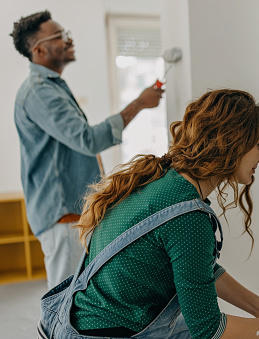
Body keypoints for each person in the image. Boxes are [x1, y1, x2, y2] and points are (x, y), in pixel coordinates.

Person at [37, 89, 259, 339]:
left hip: (80, 321)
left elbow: (197, 268)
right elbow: (208, 328)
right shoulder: (189, 218)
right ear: (234, 143)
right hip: (103, 333)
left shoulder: (162, 180)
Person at [10, 10, 163, 289]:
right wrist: (138, 104)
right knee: (63, 301)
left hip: (70, 213)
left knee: (77, 297)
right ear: (39, 49)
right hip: (62, 215)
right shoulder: (40, 92)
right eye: (60, 36)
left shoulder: (52, 87)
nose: (69, 40)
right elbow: (88, 140)